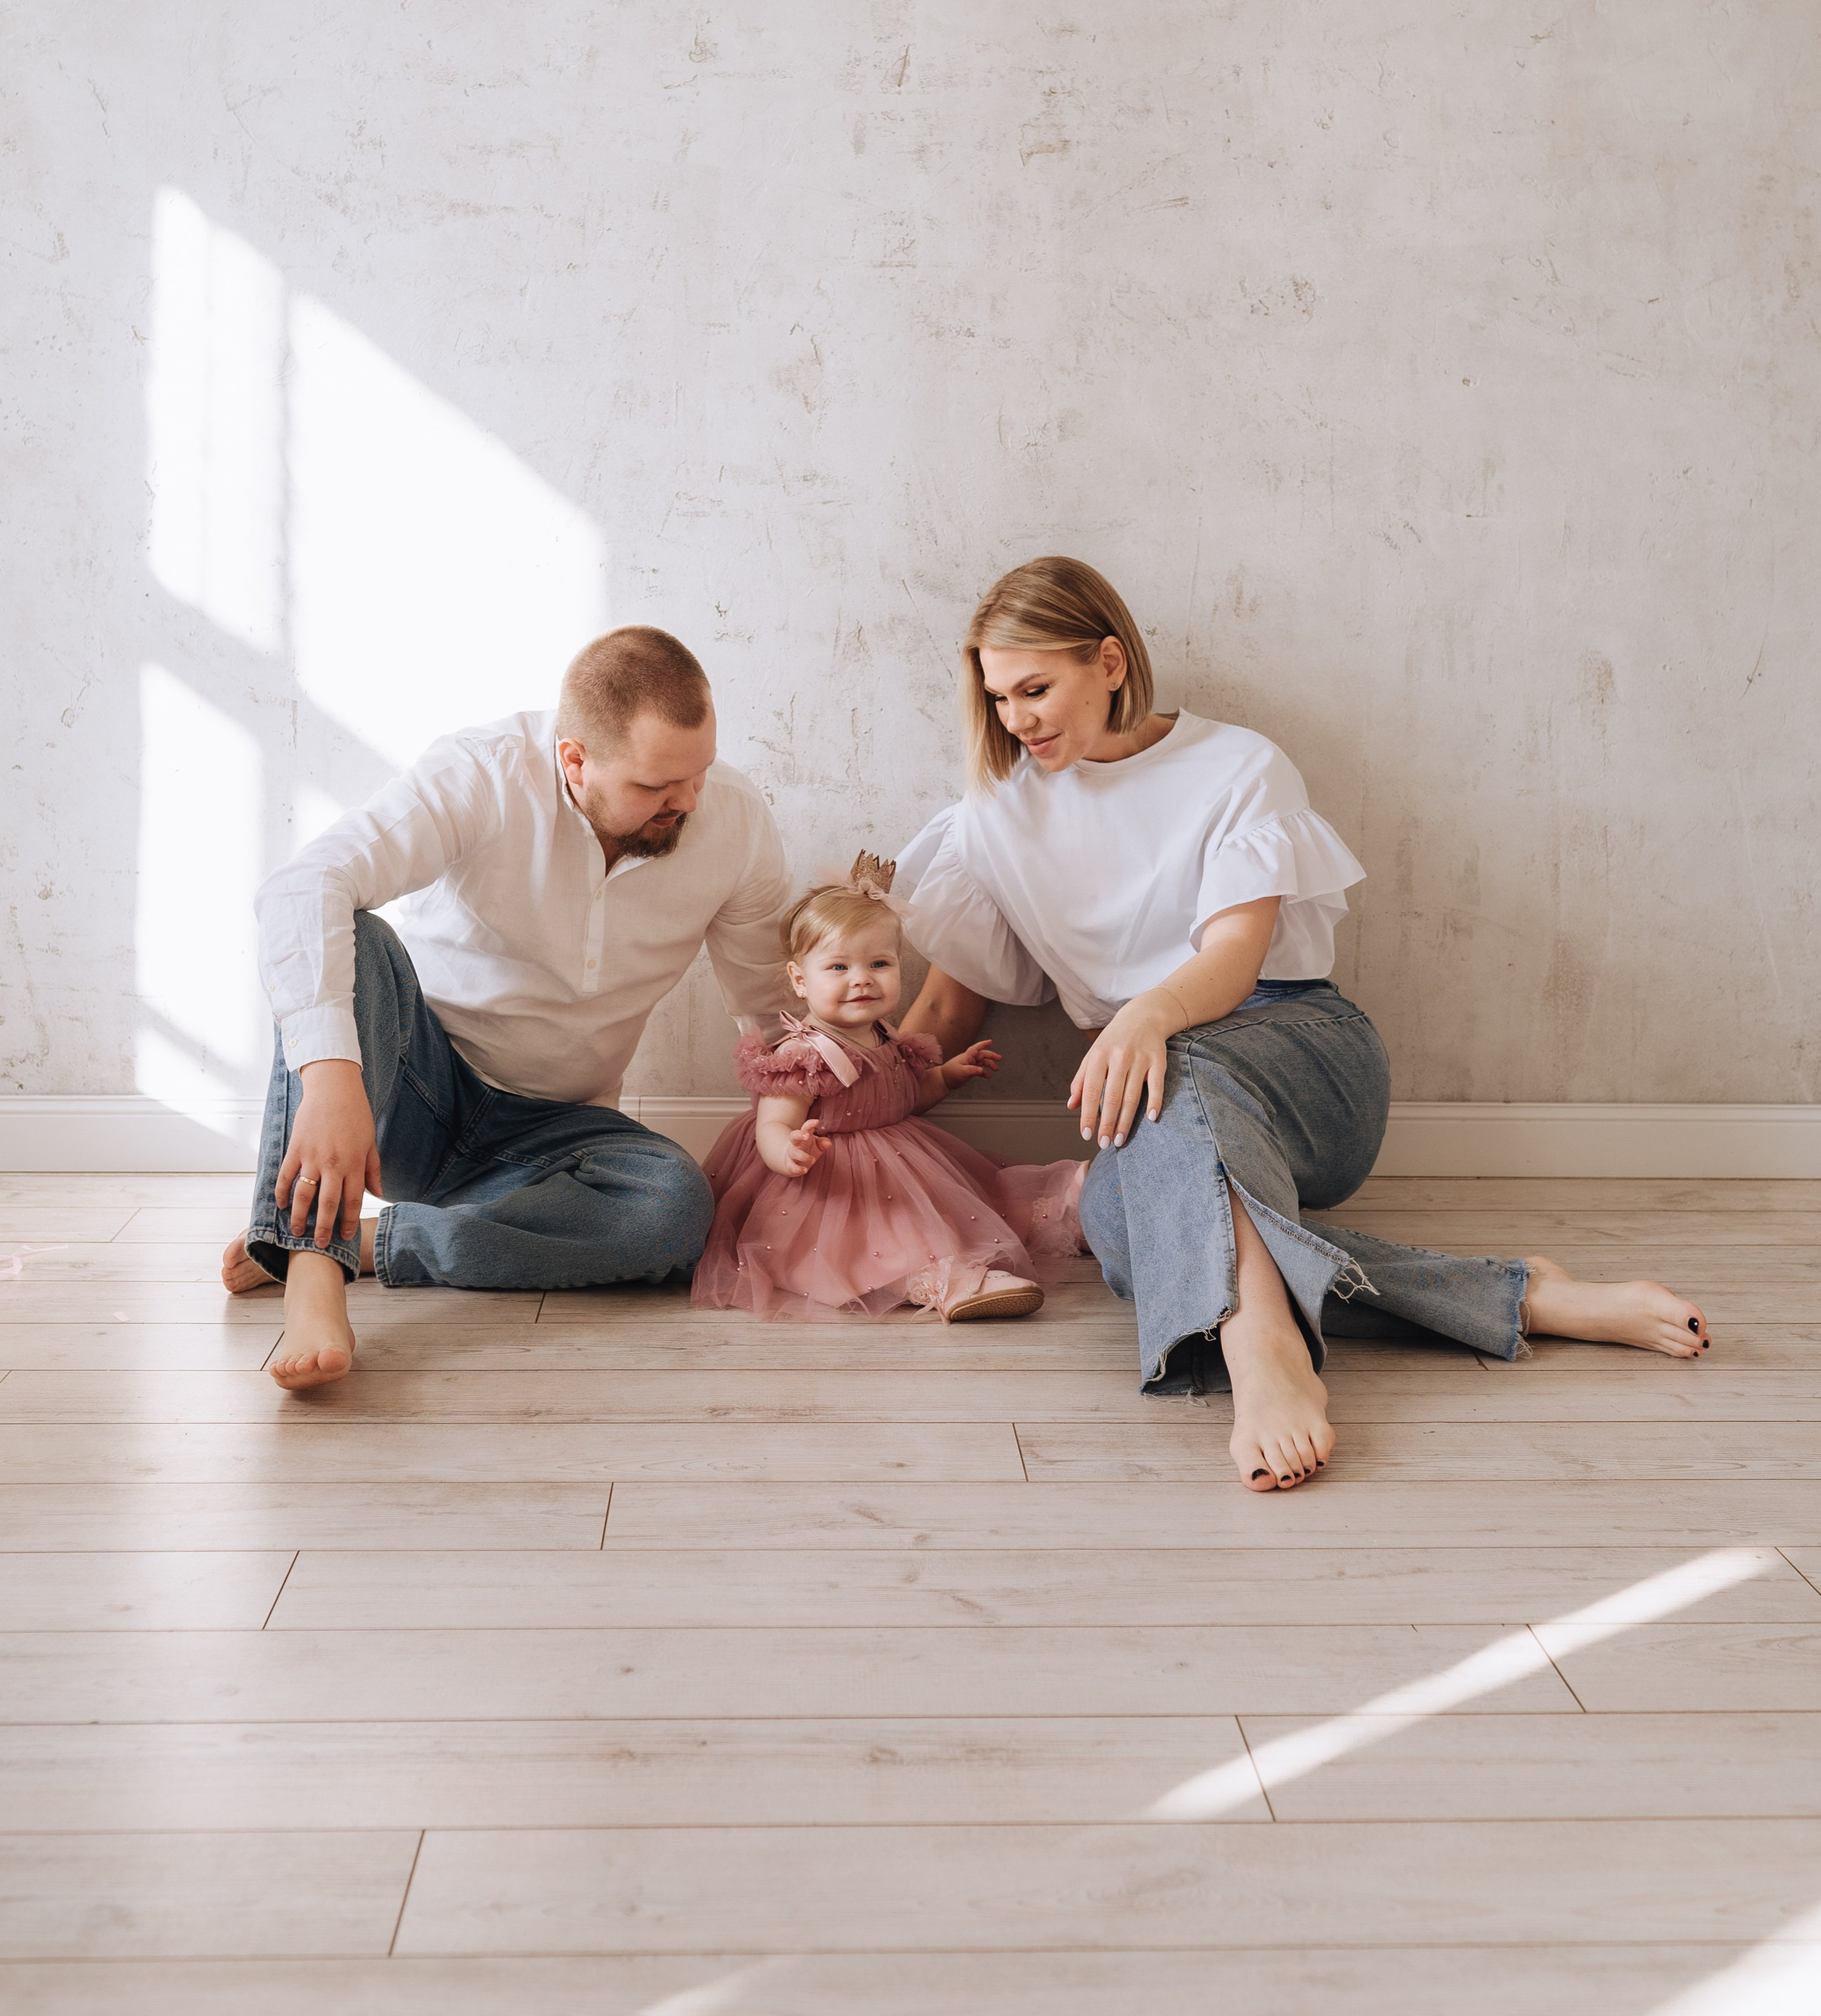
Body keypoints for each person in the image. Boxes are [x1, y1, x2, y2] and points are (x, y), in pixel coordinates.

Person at [896, 556, 1710, 1494]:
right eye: (998, 697)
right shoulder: (995, 814)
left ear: (1110, 662)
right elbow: (945, 1010)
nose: (1016, 719)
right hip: (1150, 1097)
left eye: (1035, 689)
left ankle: (1261, 1345)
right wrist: (848, 1092)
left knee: (1173, 1080)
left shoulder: (1236, 765)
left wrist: (1147, 1015)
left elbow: (1232, 961)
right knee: (1121, 1227)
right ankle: (1524, 1295)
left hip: (1300, 1054)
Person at [221, 625, 795, 1393]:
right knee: (353, 935)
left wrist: (828, 1109)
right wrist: (330, 1082)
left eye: (700, 772)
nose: (687, 801)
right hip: (414, 1092)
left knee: (675, 1208)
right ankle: (312, 1270)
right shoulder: (483, 772)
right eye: (657, 785)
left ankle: (380, 1242)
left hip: (557, 1137)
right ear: (574, 759)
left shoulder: (735, 822)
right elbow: (304, 884)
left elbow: (772, 1006)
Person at [691, 856, 1087, 1322]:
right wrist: (789, 1151)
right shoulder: (804, 1053)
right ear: (800, 980)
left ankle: (1056, 1219)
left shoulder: (886, 1036)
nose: (861, 978)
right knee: (873, 1238)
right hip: (830, 1180)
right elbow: (773, 1123)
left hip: (900, 1159)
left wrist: (946, 1076)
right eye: (838, 966)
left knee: (958, 1208)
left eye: (879, 963)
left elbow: (902, 1099)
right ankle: (942, 1281)